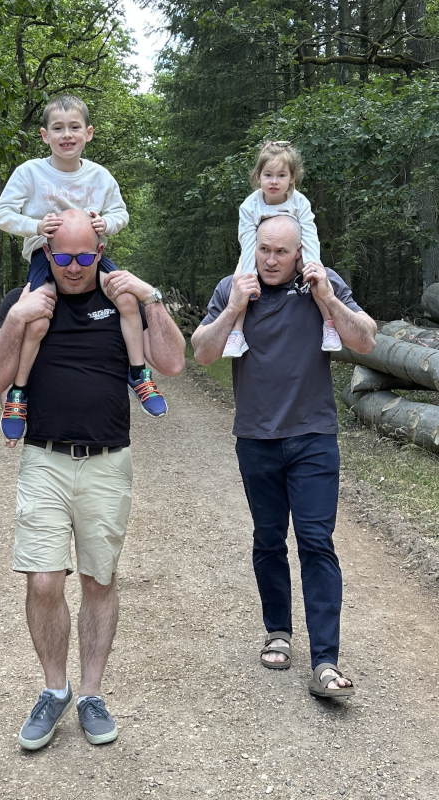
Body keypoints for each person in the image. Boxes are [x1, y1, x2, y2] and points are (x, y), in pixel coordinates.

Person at [0, 209, 185, 748]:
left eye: (85, 257)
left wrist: (152, 297)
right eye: (63, 258)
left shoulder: (123, 298)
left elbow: (173, 362)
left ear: (100, 251)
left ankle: (92, 694)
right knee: (43, 580)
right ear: (47, 255)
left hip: (107, 460)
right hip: (44, 458)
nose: (74, 268)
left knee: (98, 580)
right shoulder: (28, 302)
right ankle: (54, 689)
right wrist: (15, 320)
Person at [192, 214, 377, 697]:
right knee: (269, 539)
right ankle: (278, 631)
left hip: (314, 435)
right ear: (253, 247)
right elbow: (203, 353)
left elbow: (366, 339)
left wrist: (328, 300)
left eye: (281, 252)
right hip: (255, 437)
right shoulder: (234, 286)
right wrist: (233, 308)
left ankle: (325, 661)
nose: (271, 260)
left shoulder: (320, 281)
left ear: (299, 253)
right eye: (264, 249)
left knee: (317, 542)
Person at [0, 93, 167, 440]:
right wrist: (36, 226)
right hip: (47, 255)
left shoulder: (100, 177)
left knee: (127, 299)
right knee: (37, 317)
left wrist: (106, 224)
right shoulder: (30, 172)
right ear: (45, 135)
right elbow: (1, 214)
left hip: (91, 256)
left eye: (74, 127)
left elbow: (121, 213)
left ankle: (138, 373)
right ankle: (18, 393)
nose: (66, 135)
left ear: (88, 133)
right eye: (58, 128)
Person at [223, 140, 343, 358]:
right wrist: (250, 271)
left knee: (317, 278)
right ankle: (236, 332)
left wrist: (311, 264)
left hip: (294, 253)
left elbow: (309, 234)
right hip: (258, 253)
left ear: (292, 178)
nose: (274, 181)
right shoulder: (250, 206)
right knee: (239, 279)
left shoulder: (300, 202)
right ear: (258, 176)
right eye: (268, 175)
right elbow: (247, 240)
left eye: (281, 175)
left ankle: (329, 324)